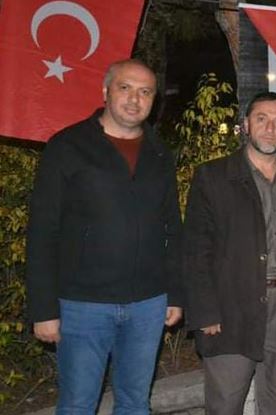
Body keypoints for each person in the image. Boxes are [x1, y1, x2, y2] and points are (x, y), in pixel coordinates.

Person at [25, 59, 183, 413]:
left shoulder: (159, 153)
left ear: (154, 100)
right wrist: (43, 309)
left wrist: (175, 293)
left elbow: (172, 227)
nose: (134, 99)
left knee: (135, 402)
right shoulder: (68, 146)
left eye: (145, 92)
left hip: (148, 304)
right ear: (105, 92)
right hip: (82, 305)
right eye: (125, 88)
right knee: (78, 404)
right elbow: (43, 230)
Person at [183, 91, 276, 415]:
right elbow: (196, 249)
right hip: (231, 306)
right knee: (226, 402)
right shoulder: (213, 177)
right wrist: (205, 311)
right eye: (262, 119)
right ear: (245, 125)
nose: (270, 128)